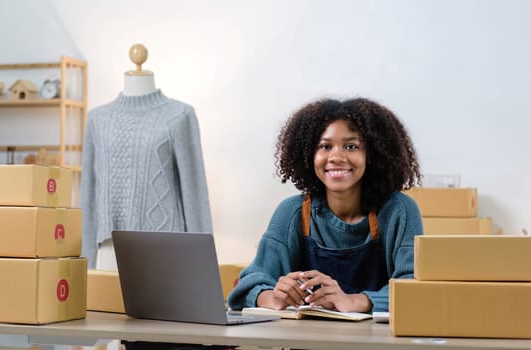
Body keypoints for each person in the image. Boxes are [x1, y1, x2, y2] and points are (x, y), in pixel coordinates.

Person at [227, 97, 423, 313]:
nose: (336, 157)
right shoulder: (292, 212)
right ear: (309, 155)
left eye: (351, 146)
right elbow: (249, 284)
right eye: (325, 146)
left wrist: (352, 301)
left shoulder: (399, 210)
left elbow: (414, 287)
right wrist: (273, 297)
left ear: (372, 155)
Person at [81, 44, 213, 270]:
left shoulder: (179, 115)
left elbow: (195, 194)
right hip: (109, 252)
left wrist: (203, 266)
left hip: (166, 250)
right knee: (105, 307)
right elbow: (89, 196)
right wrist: (85, 262)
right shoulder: (97, 119)